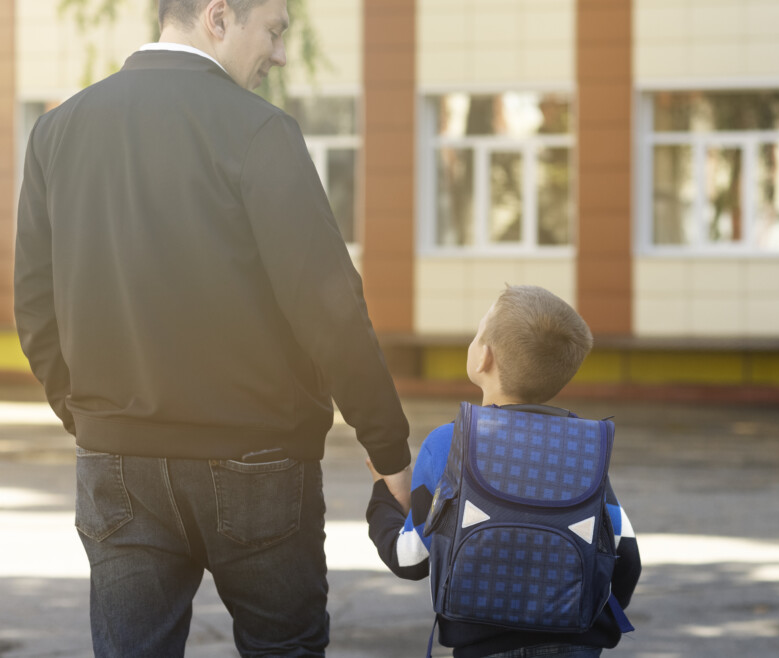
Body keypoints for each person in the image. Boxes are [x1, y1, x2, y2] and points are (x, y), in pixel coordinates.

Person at [14, 0, 412, 655]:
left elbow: (35, 307)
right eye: (275, 32)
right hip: (258, 458)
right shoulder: (258, 131)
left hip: (115, 459)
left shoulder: (58, 132)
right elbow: (329, 307)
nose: (280, 55)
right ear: (219, 17)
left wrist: (94, 420)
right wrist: (389, 451)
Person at [366, 285, 641, 658]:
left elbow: (411, 558)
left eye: (479, 332)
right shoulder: (582, 448)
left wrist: (381, 496)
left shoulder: (448, 442)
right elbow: (626, 555)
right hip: (574, 644)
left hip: (482, 648)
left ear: (484, 357)